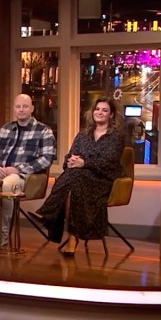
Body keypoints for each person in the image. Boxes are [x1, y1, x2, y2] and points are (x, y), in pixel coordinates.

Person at [35, 97, 125, 255]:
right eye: (97, 109)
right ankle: (72, 235)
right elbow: (71, 154)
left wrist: (84, 163)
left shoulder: (116, 137)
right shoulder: (83, 134)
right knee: (74, 180)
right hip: (80, 177)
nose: (100, 112)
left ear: (111, 115)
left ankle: (50, 216)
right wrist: (70, 161)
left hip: (102, 179)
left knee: (73, 178)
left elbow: (108, 161)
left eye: (104, 110)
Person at [0, 94, 56, 246]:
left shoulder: (44, 131)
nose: (21, 110)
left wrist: (17, 169)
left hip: (24, 177)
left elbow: (46, 159)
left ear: (32, 109)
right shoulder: (6, 129)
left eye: (25, 106)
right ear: (14, 109)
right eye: (18, 106)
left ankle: (1, 234)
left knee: (7, 185)